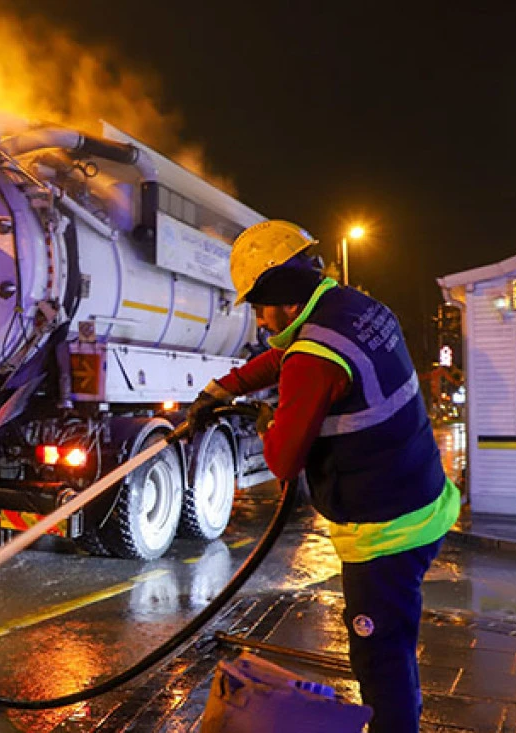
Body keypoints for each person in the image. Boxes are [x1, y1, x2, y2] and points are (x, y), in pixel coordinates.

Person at [188, 219, 460, 733]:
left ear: (284, 296)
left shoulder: (314, 358)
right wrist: (222, 391)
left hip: (386, 531)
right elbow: (281, 356)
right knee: (394, 642)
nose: (260, 319)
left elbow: (282, 460)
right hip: (421, 496)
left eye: (259, 305)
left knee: (379, 655)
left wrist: (271, 420)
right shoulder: (352, 307)